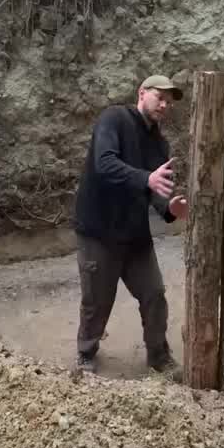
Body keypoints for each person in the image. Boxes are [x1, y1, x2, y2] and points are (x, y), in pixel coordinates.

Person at [72, 74, 190, 378]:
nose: (164, 104)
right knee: (97, 301)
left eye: (168, 101)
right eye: (158, 97)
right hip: (98, 231)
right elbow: (105, 164)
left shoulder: (159, 144)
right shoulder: (114, 119)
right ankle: (86, 353)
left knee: (154, 294)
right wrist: (145, 178)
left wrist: (170, 208)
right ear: (141, 93)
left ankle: (159, 356)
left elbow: (155, 191)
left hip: (135, 235)